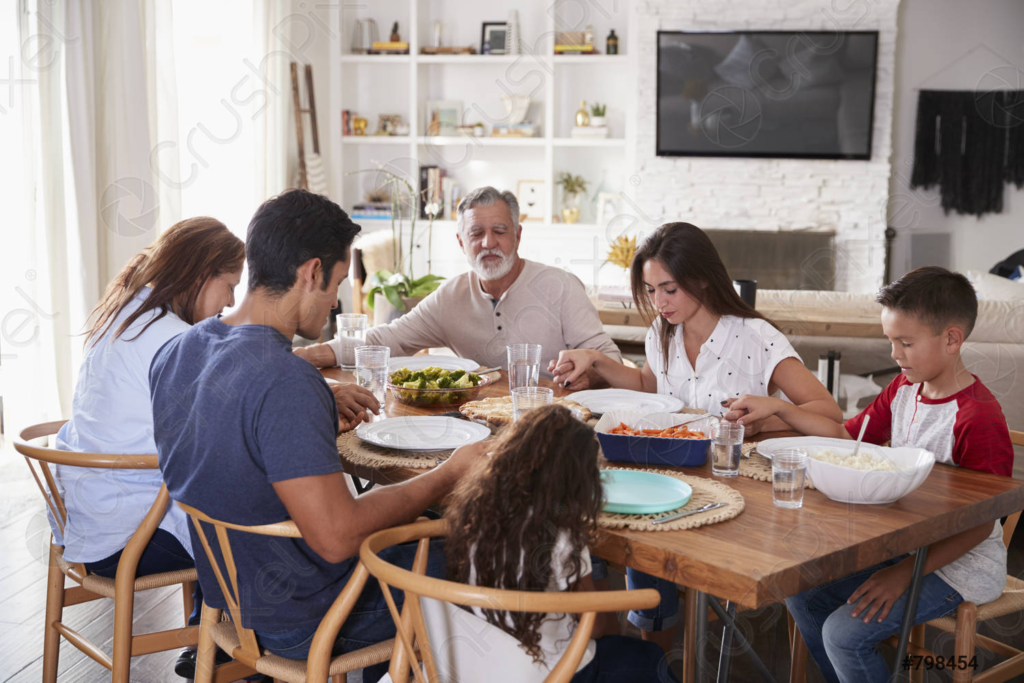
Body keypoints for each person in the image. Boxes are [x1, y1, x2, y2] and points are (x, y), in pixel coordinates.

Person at [150, 190, 487, 683]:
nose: (335, 301)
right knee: (495, 549)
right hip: (307, 620)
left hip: (227, 598)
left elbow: (230, 441)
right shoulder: (286, 380)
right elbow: (336, 538)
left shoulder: (179, 351)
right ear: (310, 272)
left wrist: (306, 420)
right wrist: (451, 470)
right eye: (336, 284)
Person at [549, 222, 843, 651]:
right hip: (672, 478)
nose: (659, 303)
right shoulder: (662, 333)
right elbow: (652, 387)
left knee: (633, 529)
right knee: (583, 513)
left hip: (732, 490)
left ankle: (651, 645)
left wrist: (776, 409)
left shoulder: (755, 338)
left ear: (702, 278)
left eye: (669, 289)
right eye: (651, 291)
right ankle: (638, 650)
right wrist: (594, 360)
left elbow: (830, 415)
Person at [729, 267, 1014, 683]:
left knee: (844, 634)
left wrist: (901, 576)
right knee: (802, 596)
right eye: (890, 341)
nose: (895, 354)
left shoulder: (977, 417)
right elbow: (847, 436)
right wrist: (782, 409)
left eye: (906, 343)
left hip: (960, 564)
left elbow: (982, 520)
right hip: (903, 545)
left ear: (952, 339)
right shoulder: (902, 389)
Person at [51, 217, 244, 679]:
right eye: (229, 285)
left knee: (214, 488)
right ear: (201, 275)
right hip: (130, 543)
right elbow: (221, 433)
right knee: (247, 510)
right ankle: (245, 652)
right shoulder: (172, 340)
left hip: (82, 522)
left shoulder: (125, 315)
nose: (232, 301)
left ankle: (208, 641)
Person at [294, 186, 622, 389]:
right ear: (461, 241)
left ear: (518, 236)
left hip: (554, 427)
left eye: (500, 231)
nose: (488, 243)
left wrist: (588, 376)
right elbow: (386, 339)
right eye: (476, 233)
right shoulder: (450, 298)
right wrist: (305, 356)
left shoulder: (560, 286)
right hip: (478, 425)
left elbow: (611, 360)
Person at [444, 404, 676, 682]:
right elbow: (595, 626)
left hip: (488, 665)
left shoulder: (477, 515)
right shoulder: (563, 536)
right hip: (556, 671)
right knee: (649, 657)